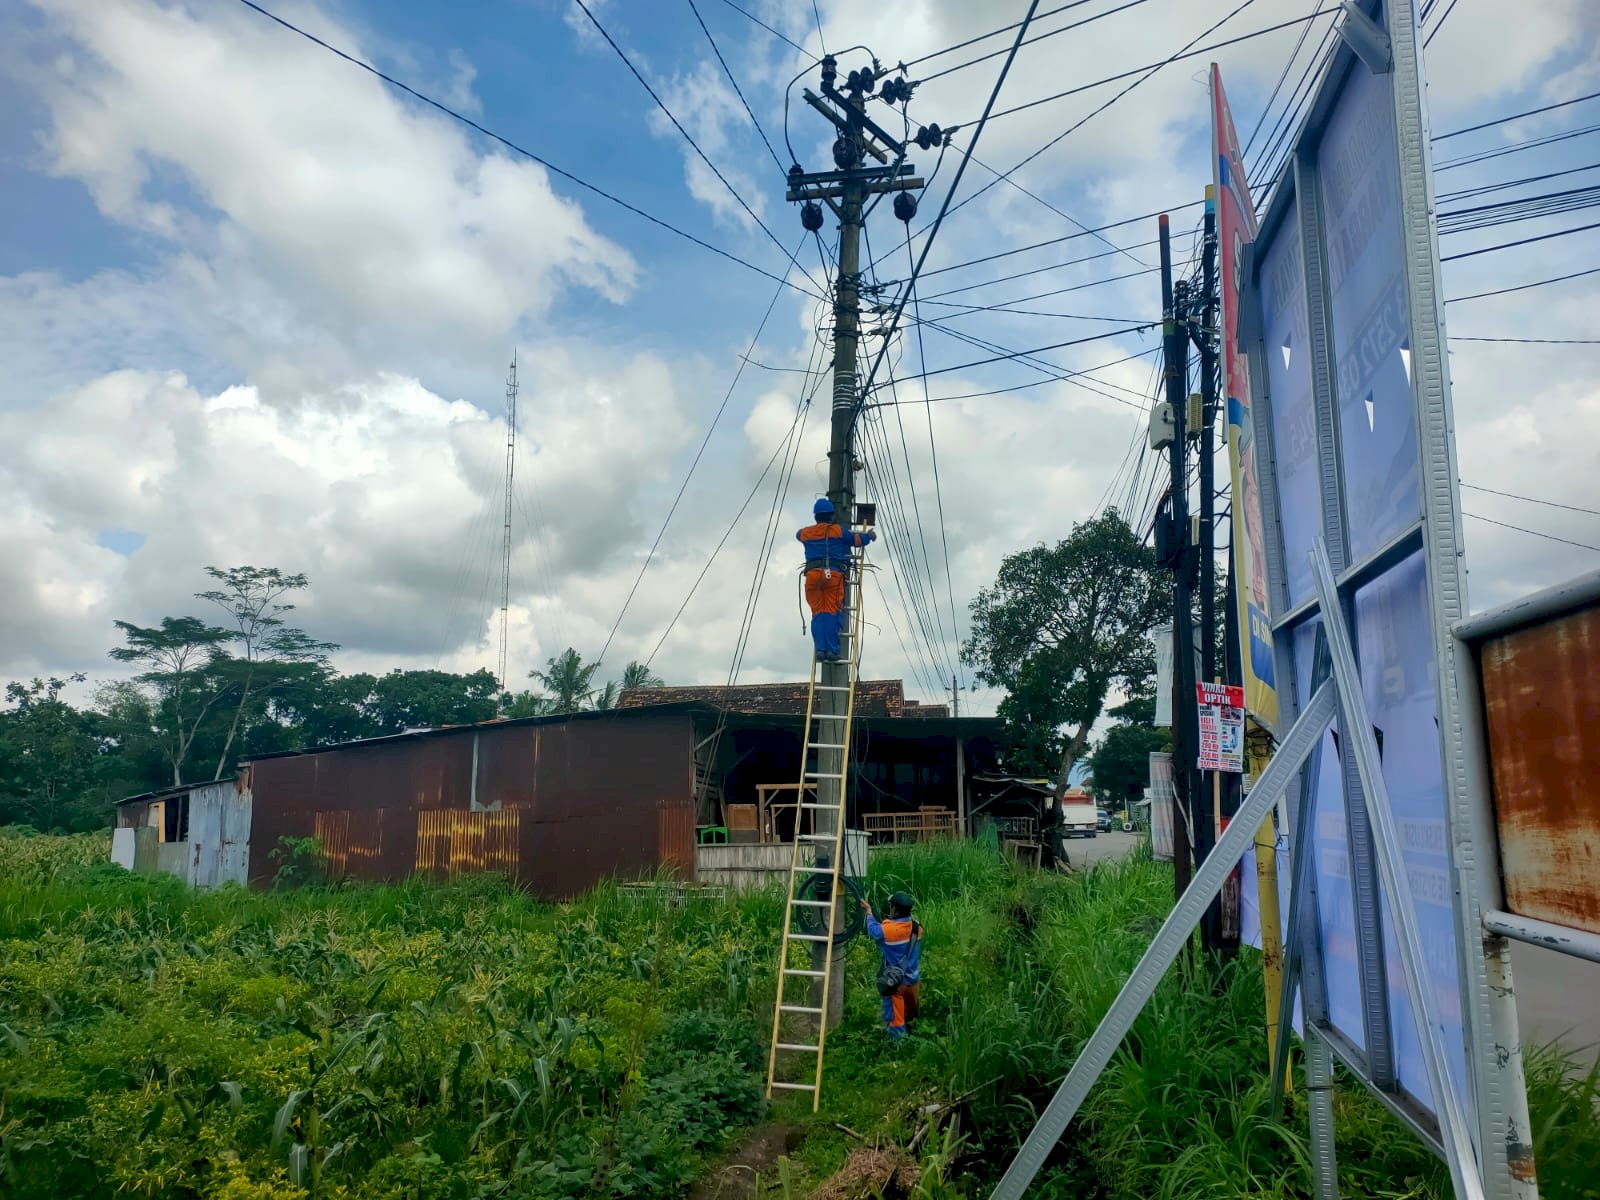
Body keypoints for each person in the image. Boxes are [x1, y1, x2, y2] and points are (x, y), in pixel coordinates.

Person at [796, 498, 875, 661]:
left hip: (813, 576)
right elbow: (857, 541)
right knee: (832, 613)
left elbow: (798, 535)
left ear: (816, 516)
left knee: (818, 614)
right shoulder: (838, 531)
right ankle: (832, 651)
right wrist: (869, 535)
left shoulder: (806, 533)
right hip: (833, 576)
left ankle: (820, 650)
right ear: (831, 515)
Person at [859, 891, 921, 1039]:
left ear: (894, 909)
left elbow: (873, 931)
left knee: (896, 1021)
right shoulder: (917, 928)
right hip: (913, 980)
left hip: (896, 983)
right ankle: (913, 1038)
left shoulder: (887, 931)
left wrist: (869, 912)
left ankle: (897, 1051)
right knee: (909, 1015)